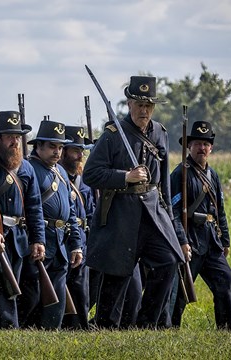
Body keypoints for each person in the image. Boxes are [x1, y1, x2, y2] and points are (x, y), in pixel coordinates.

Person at [83, 75, 184, 329]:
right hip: (122, 215)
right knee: (117, 274)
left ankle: (147, 323)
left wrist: (171, 223)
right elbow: (91, 174)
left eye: (149, 105)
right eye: (139, 104)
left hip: (153, 212)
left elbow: (164, 183)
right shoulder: (113, 134)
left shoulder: (159, 133)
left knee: (168, 260)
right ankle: (105, 327)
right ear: (129, 104)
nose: (144, 110)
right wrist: (125, 176)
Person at [0, 110, 46, 328]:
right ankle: (8, 330)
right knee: (4, 288)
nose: (14, 141)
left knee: (31, 292)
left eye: (17, 137)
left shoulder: (26, 167)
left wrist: (38, 240)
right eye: (9, 136)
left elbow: (35, 206)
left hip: (21, 237)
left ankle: (4, 326)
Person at [170, 121, 231, 330]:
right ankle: (170, 330)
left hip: (212, 242)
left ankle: (227, 331)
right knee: (180, 292)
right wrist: (182, 240)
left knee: (226, 283)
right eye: (198, 143)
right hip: (190, 241)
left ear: (211, 148)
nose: (202, 148)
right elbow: (173, 211)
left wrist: (225, 240)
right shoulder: (180, 174)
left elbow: (219, 210)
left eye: (206, 144)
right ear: (189, 146)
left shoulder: (213, 175)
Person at [25, 120, 82, 329]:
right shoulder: (29, 168)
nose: (57, 152)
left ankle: (51, 335)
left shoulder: (61, 172)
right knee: (34, 296)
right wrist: (36, 239)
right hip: (40, 240)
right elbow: (30, 209)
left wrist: (76, 244)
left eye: (59, 147)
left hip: (60, 242)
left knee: (56, 299)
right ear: (38, 146)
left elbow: (71, 211)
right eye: (52, 146)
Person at [58, 125, 96, 330]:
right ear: (64, 152)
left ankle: (80, 325)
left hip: (82, 237)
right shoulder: (58, 176)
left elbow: (90, 211)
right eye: (75, 150)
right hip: (63, 237)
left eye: (81, 151)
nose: (80, 155)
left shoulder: (84, 181)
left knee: (82, 289)